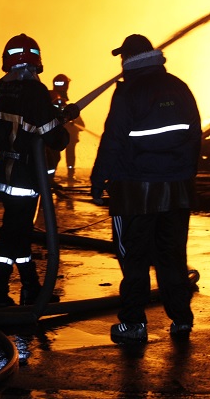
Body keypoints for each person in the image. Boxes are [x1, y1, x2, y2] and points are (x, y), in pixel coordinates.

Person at [91, 34, 201, 343]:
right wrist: (184, 175)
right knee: (172, 255)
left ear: (127, 59)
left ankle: (133, 323)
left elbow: (113, 139)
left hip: (134, 191)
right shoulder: (179, 87)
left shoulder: (128, 91)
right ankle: (181, 320)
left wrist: (99, 180)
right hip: (177, 190)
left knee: (134, 258)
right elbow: (194, 135)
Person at [0, 33, 70, 308]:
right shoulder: (35, 91)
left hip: (3, 170)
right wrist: (62, 125)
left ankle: (32, 287)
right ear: (35, 63)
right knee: (13, 232)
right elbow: (53, 136)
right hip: (25, 172)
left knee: (19, 231)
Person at [52, 74, 85, 179]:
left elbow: (81, 125)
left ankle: (50, 178)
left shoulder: (53, 98)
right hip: (56, 135)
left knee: (55, 156)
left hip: (57, 136)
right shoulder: (58, 101)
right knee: (55, 156)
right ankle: (54, 178)